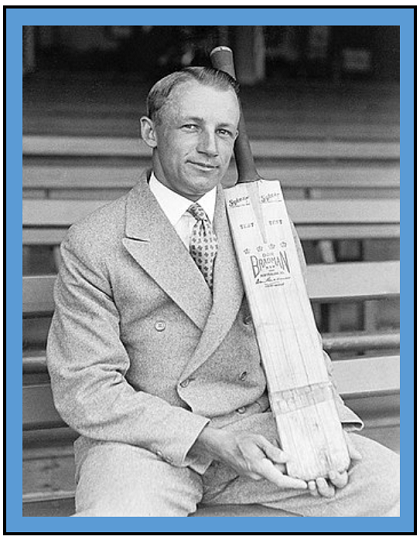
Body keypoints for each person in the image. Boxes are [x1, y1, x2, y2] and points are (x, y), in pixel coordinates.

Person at [46, 66, 400, 517]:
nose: (210, 148)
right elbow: (87, 388)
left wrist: (324, 428)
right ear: (150, 132)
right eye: (191, 127)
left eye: (224, 131)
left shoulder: (266, 226)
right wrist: (207, 439)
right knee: (119, 519)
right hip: (146, 446)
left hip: (263, 435)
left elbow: (301, 345)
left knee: (398, 490)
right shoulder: (95, 241)